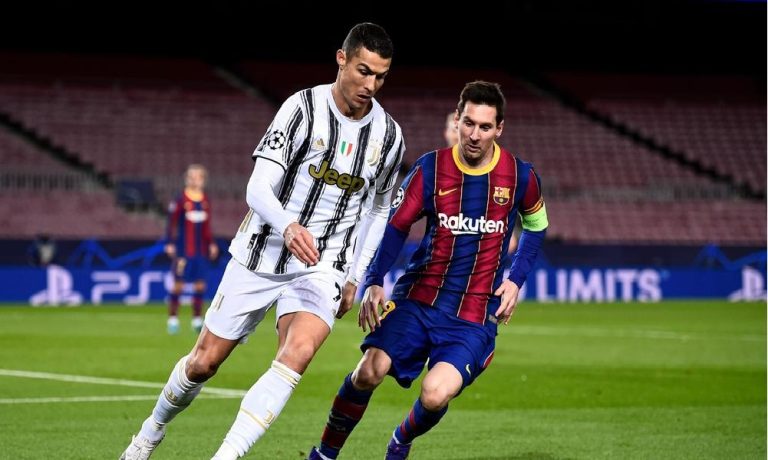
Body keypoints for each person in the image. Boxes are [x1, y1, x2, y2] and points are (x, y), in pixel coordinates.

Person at [119, 22, 404, 460]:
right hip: (262, 251)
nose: (371, 85)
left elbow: (379, 208)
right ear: (341, 59)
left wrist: (355, 275)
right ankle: (149, 434)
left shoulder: (388, 136)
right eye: (364, 71)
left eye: (381, 76)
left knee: (298, 353)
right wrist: (289, 225)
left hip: (325, 262)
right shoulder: (301, 109)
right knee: (203, 363)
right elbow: (257, 188)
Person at [308, 81, 548, 460]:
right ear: (457, 121)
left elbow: (536, 226)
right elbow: (396, 227)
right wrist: (374, 281)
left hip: (473, 313)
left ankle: (400, 440)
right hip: (419, 298)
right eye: (468, 123)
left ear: (499, 128)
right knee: (369, 371)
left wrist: (516, 280)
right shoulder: (430, 169)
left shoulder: (520, 176)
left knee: (435, 394)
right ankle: (324, 454)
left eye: (485, 127)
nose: (474, 134)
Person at [164, 164, 219, 334]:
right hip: (183, 251)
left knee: (200, 285)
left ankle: (196, 319)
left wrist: (211, 243)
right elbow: (171, 223)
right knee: (178, 285)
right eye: (192, 177)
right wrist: (169, 242)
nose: (195, 180)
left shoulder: (205, 200)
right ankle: (173, 319)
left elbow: (207, 227)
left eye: (199, 177)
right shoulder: (180, 200)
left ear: (203, 180)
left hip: (200, 251)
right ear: (187, 179)